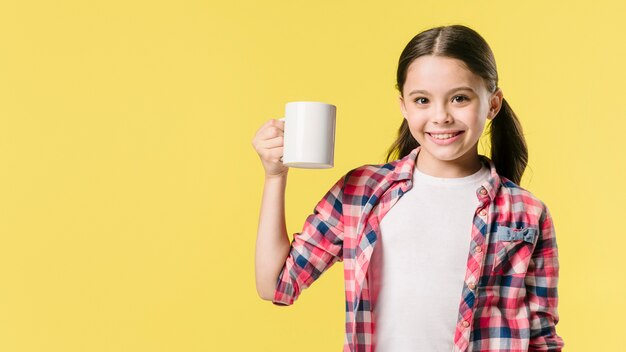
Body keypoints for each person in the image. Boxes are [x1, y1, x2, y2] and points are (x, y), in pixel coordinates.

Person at [252, 24, 564, 352]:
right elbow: (275, 285)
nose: (441, 116)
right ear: (404, 106)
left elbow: (541, 336)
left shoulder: (526, 212)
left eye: (459, 98)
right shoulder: (360, 192)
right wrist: (275, 177)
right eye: (422, 100)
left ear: (493, 104)